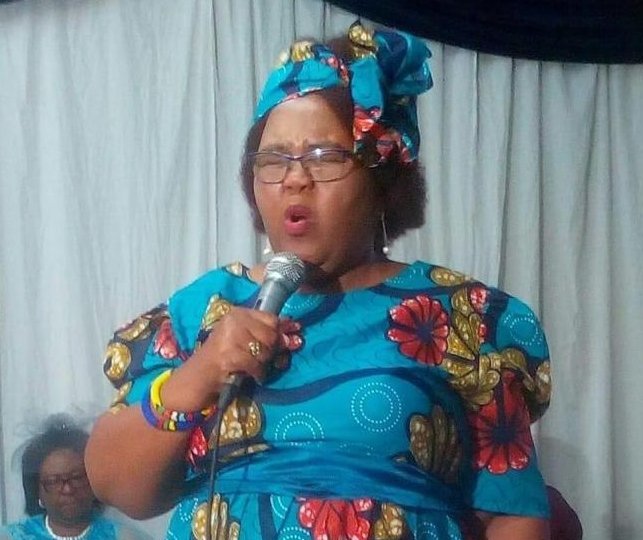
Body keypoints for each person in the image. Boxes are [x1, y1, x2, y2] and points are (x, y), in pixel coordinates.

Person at [86, 22, 552, 539]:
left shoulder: (458, 316)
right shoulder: (203, 309)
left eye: (324, 157)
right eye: (273, 160)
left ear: (381, 180)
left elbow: (512, 512)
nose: (294, 178)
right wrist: (200, 372)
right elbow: (119, 486)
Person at [0, 415, 149, 540]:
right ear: (36, 490)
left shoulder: (125, 537)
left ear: (93, 481)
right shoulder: (12, 536)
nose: (68, 489)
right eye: (53, 481)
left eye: (77, 477)